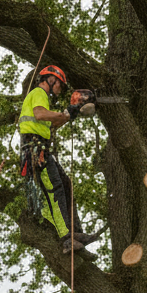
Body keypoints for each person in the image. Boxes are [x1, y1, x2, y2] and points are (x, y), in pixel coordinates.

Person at [18, 64, 99, 253]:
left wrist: (72, 111)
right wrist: (62, 114)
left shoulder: (44, 101)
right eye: (60, 85)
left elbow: (53, 123)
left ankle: (75, 232)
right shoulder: (39, 93)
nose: (60, 89)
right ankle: (66, 238)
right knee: (55, 191)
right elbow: (40, 114)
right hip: (34, 150)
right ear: (51, 79)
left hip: (42, 149)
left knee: (66, 185)